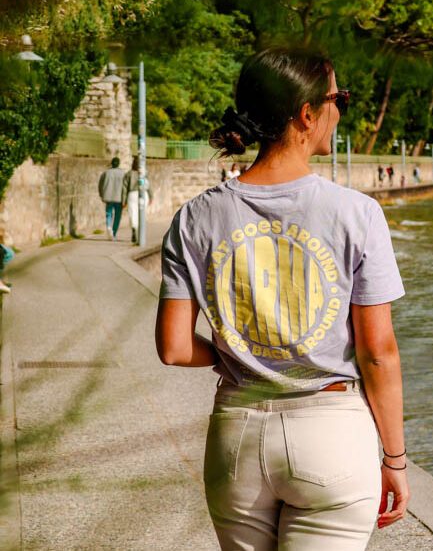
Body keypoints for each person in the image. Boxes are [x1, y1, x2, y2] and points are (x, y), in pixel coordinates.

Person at [156, 49, 409, 550]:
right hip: (331, 436)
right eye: (339, 98)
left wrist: (236, 352)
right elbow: (377, 352)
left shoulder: (195, 218)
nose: (341, 110)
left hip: (236, 439)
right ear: (307, 114)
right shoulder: (357, 214)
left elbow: (174, 348)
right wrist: (395, 460)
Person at [122, 159, 152, 244]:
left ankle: (134, 229)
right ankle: (140, 233)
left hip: (132, 194)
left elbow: (124, 188)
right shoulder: (144, 173)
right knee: (141, 214)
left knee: (132, 213)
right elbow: (149, 186)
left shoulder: (129, 174)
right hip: (143, 193)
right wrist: (151, 196)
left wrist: (123, 200)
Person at [98, 157, 126, 240]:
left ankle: (109, 227)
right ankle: (114, 233)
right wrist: (125, 199)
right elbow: (125, 187)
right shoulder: (123, 173)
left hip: (108, 197)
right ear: (118, 164)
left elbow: (100, 185)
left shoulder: (106, 173)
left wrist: (102, 195)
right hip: (119, 198)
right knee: (117, 216)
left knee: (108, 214)